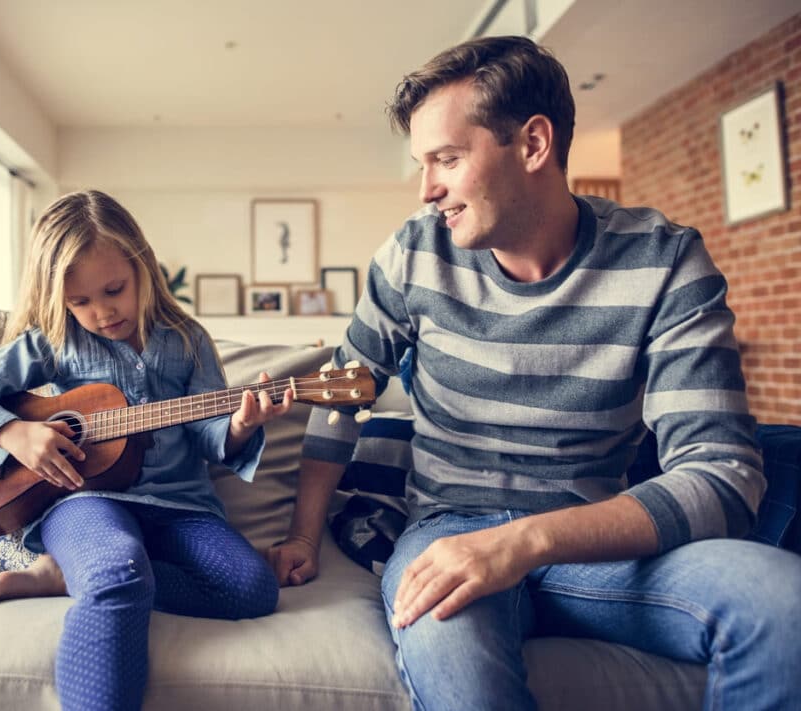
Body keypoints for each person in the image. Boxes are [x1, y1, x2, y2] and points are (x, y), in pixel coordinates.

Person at [265, 35, 801, 710]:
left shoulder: (664, 261)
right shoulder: (412, 255)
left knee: (785, 604)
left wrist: (523, 541)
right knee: (443, 634)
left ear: (534, 144)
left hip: (594, 535)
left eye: (447, 159)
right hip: (448, 530)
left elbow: (724, 474)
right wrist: (303, 534)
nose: (427, 188)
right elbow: (342, 393)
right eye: (422, 164)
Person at [0, 189, 293, 711]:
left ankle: (66, 574)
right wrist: (14, 433)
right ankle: (91, 568)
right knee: (117, 573)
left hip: (181, 508)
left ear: (142, 265)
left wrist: (238, 424)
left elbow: (212, 434)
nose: (102, 312)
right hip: (85, 502)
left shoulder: (188, 340)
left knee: (252, 588)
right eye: (80, 302)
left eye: (114, 289)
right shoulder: (52, 342)